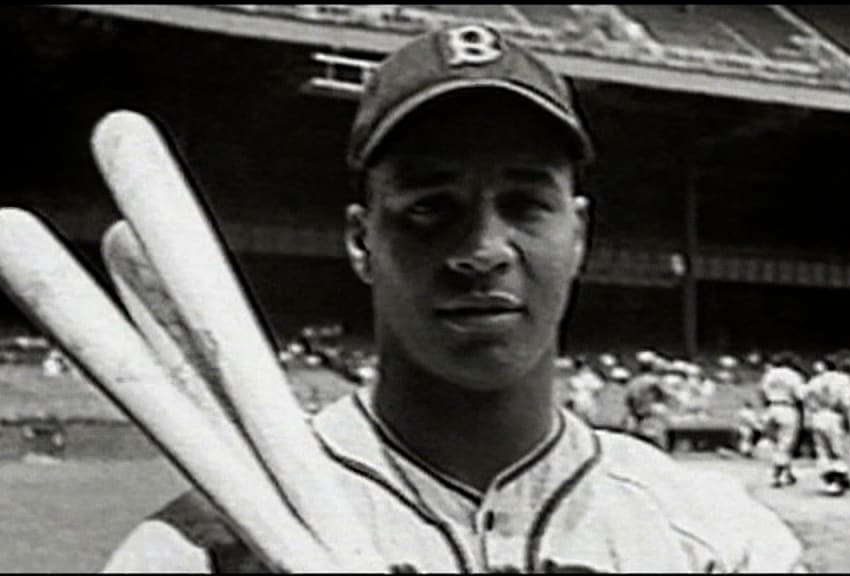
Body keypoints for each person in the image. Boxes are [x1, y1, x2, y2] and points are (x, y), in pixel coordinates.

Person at [103, 24, 803, 572]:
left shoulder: (714, 540)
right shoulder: (206, 549)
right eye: (430, 208)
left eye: (525, 203)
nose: (481, 251)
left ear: (580, 234)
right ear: (360, 241)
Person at [804, 354, 850, 495]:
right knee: (838, 449)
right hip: (835, 415)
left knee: (822, 450)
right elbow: (847, 401)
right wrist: (848, 419)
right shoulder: (843, 380)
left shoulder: (814, 381)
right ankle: (839, 480)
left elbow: (806, 399)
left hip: (818, 415)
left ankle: (829, 479)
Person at [758, 352, 807, 488]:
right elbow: (800, 395)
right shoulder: (793, 375)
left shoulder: (769, 374)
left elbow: (761, 393)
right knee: (785, 444)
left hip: (771, 408)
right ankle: (777, 476)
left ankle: (788, 472)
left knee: (776, 444)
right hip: (787, 408)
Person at [623, 350, 673, 450]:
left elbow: (628, 401)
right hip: (652, 419)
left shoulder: (633, 382)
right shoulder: (655, 381)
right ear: (652, 366)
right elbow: (669, 395)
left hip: (635, 421)